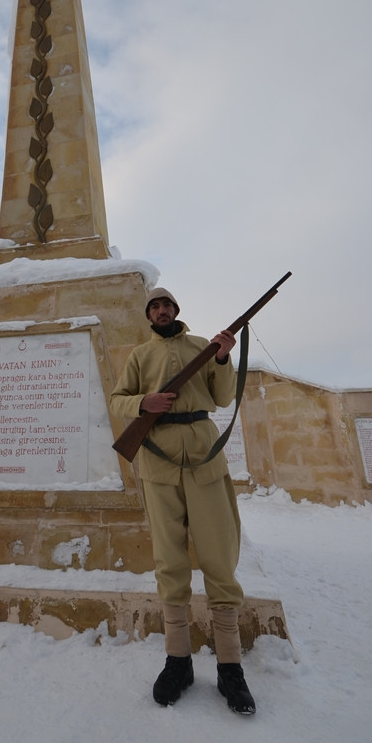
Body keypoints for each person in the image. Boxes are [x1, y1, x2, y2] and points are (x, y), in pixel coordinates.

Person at [110, 288, 256, 715]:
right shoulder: (139, 355)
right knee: (169, 558)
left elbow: (223, 396)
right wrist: (144, 402)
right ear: (148, 315)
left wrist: (224, 357)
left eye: (166, 305)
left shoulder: (201, 348)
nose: (161, 310)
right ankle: (178, 660)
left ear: (176, 310)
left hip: (203, 454)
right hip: (157, 460)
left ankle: (230, 667)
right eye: (154, 306)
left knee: (218, 554)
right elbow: (119, 400)